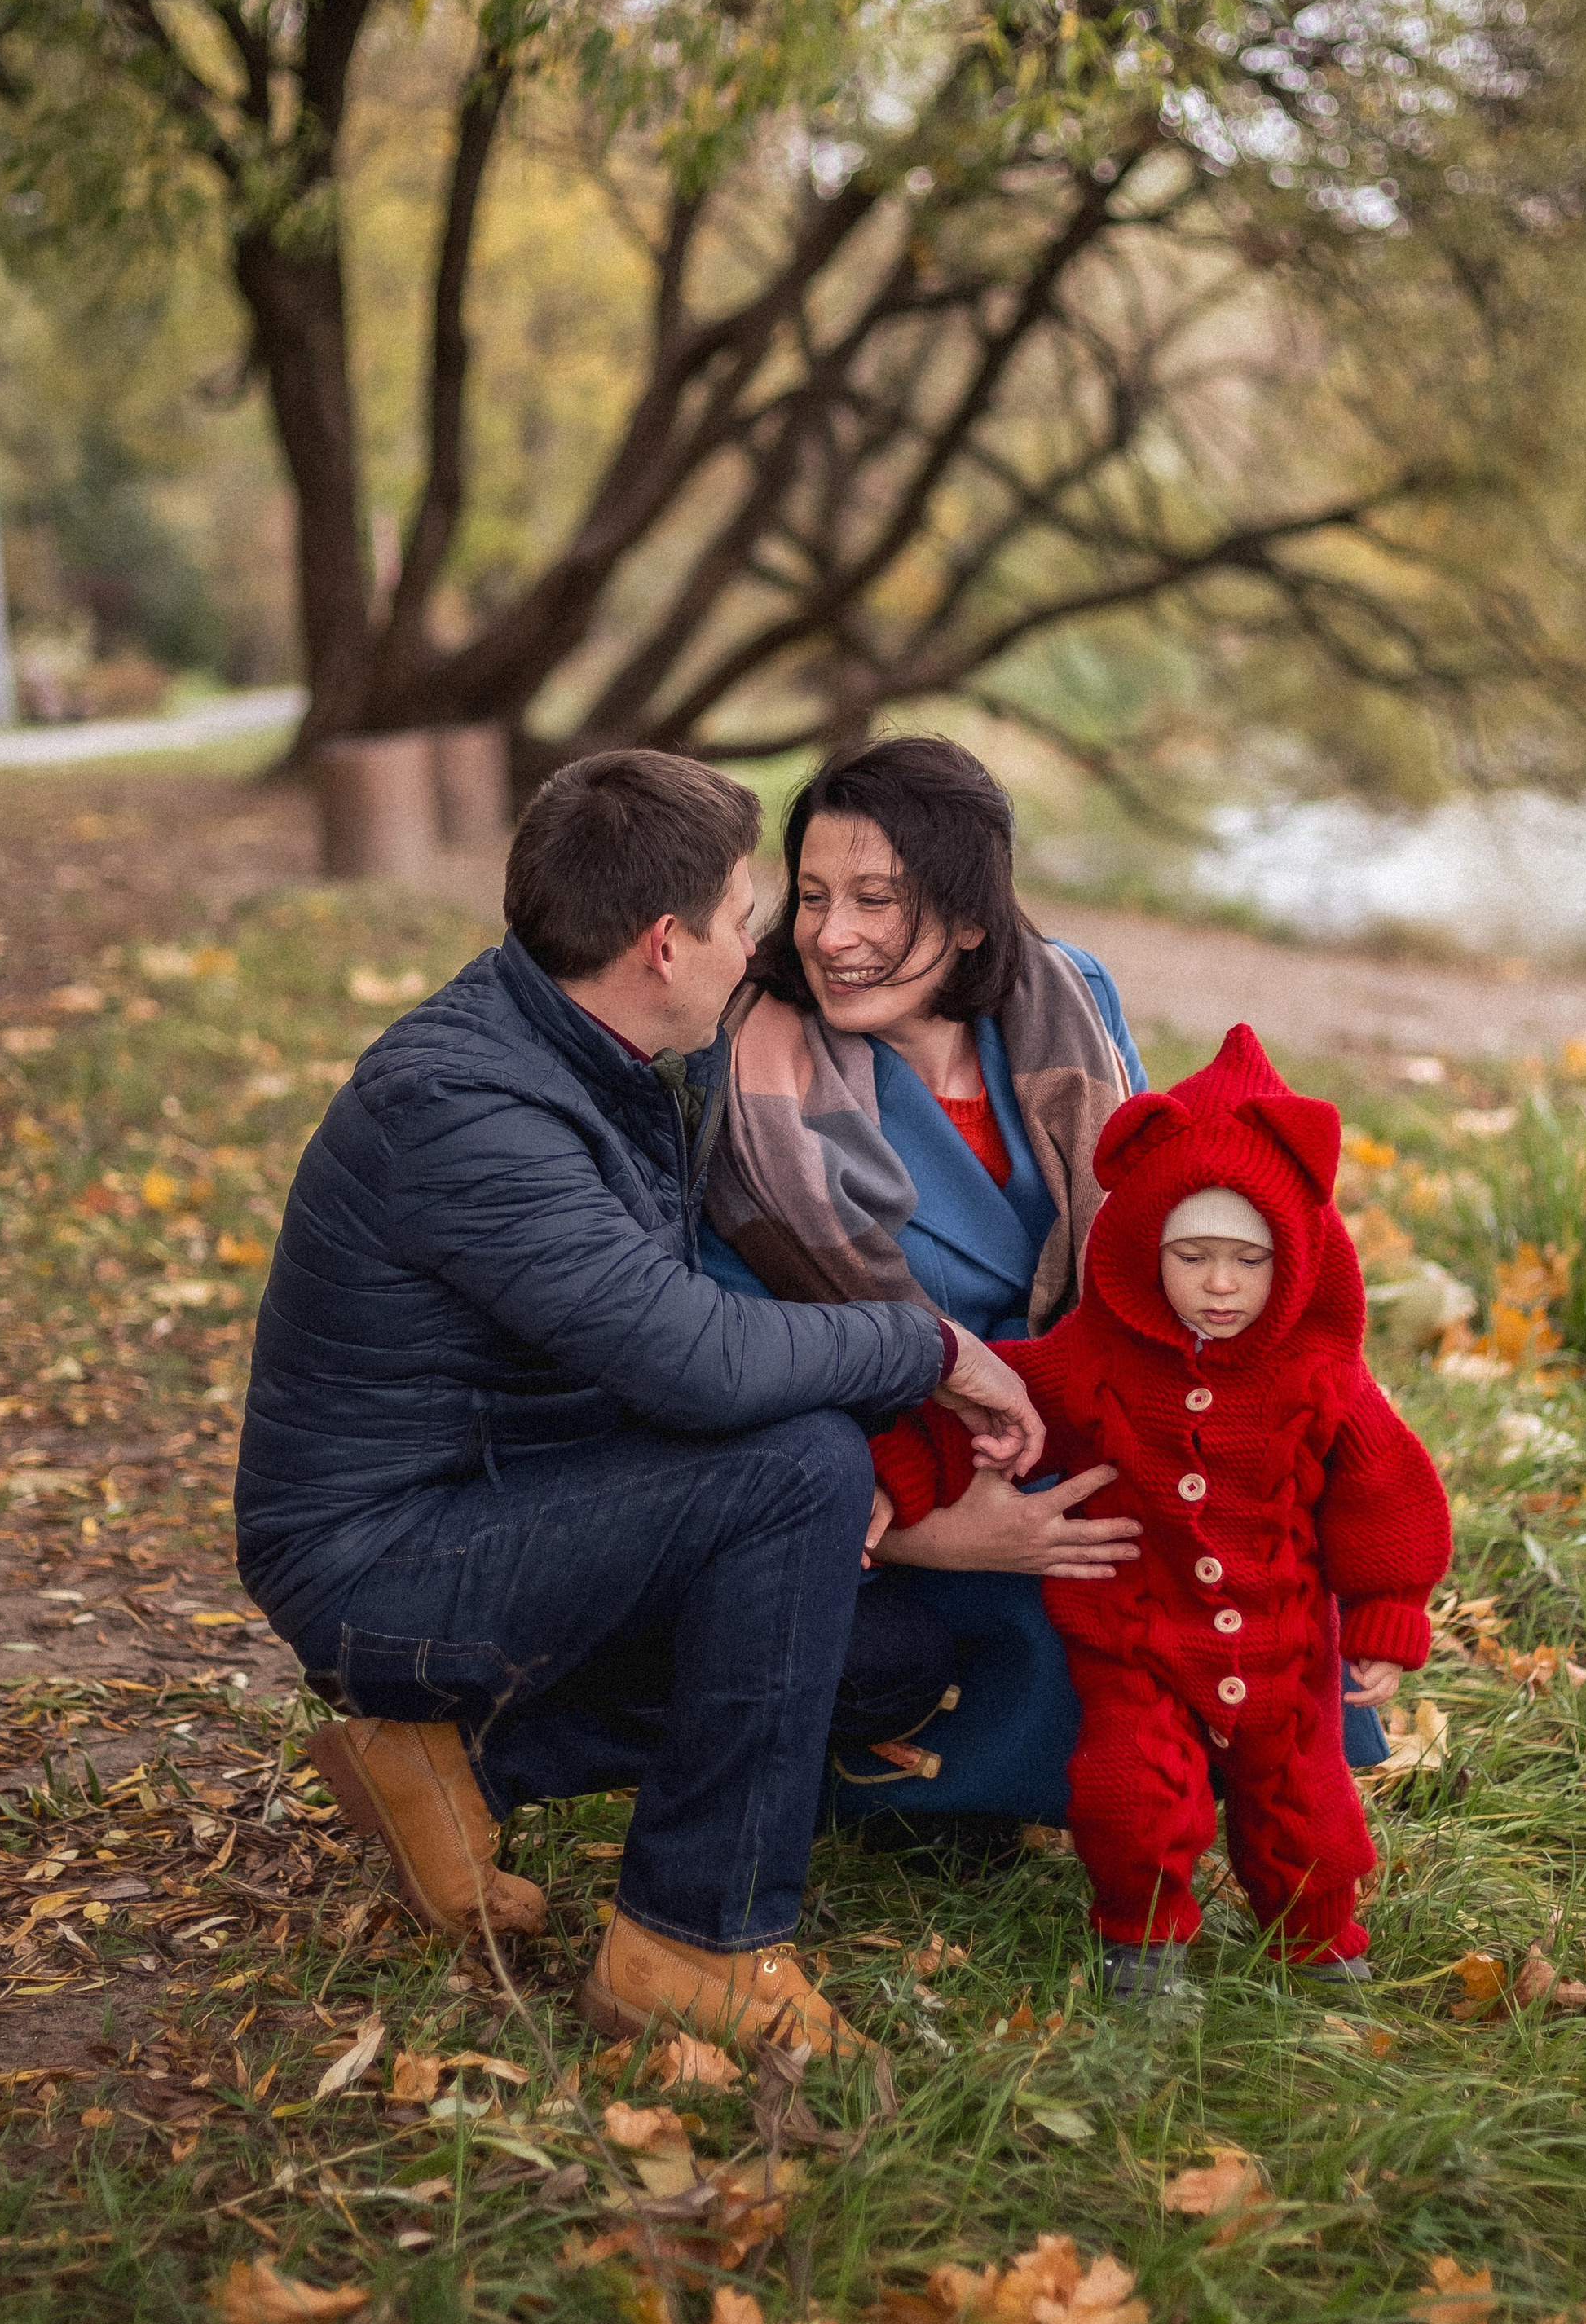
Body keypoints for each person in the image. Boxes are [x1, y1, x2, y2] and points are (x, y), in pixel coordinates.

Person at [233, 750, 1043, 2058]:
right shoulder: (466, 1106)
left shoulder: (592, 1051)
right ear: (665, 946)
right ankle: (690, 1940)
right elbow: (696, 1363)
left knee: (888, 1659)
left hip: (508, 1502)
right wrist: (929, 1346)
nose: (768, 945)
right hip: (380, 1560)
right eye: (746, 919)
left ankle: (454, 1769)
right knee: (798, 1467)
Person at [700, 737, 1389, 1845]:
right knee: (1095, 1604)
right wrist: (928, 1531)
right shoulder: (754, 1069)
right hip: (897, 1478)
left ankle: (1270, 1793)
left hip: (1092, 1417)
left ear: (972, 916)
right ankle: (951, 1776)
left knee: (1267, 1499)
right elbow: (741, 1353)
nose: (833, 936)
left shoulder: (1066, 995)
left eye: (878, 900)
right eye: (815, 897)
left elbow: (1166, 1231)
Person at [870, 1025, 1451, 1992]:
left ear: (1296, 1258)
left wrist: (1387, 1611)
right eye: (1193, 1256)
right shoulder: (1091, 1361)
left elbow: (1385, 1486)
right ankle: (1141, 1943)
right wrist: (895, 1467)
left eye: (1248, 1261)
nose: (1220, 1286)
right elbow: (986, 1405)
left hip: (1285, 1643)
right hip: (1135, 1635)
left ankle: (1316, 1939)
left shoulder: (1320, 1377)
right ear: (1145, 1245)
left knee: (1305, 1804)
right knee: (1131, 1793)